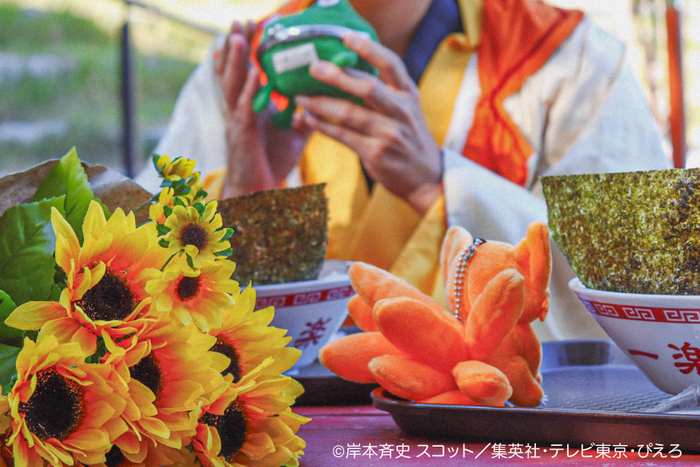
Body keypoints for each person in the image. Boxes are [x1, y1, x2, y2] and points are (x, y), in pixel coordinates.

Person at [135, 0, 671, 341]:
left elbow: (641, 292)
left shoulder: (570, 60)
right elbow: (134, 291)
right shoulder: (240, 67)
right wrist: (248, 195)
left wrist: (438, 181)